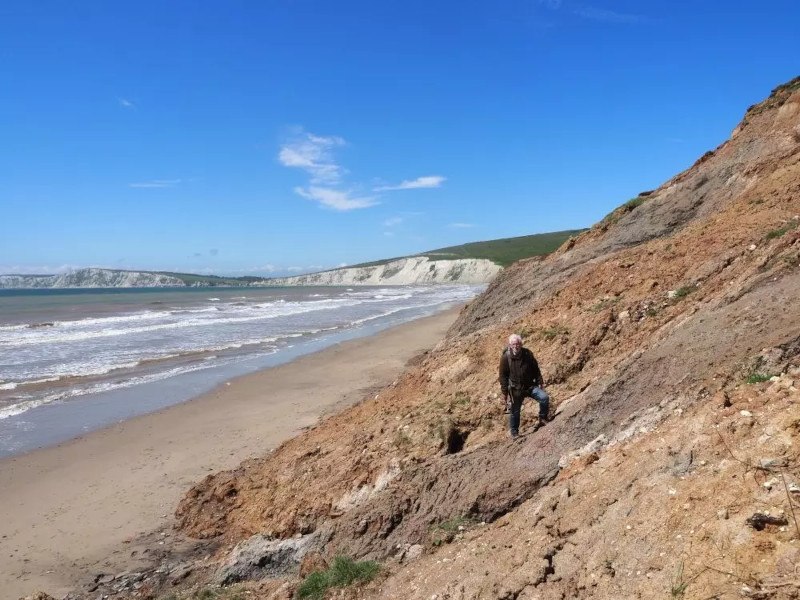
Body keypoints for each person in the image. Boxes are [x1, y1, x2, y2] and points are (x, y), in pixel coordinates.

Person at [499, 333, 550, 438]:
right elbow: (503, 376)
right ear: (509, 345)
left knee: (544, 398)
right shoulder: (506, 358)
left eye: (517, 344)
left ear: (521, 344)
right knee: (515, 411)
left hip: (530, 386)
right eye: (513, 344)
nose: (515, 346)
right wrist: (505, 392)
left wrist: (540, 381)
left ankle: (543, 418)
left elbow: (536, 368)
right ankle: (514, 432)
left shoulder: (527, 354)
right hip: (515, 389)